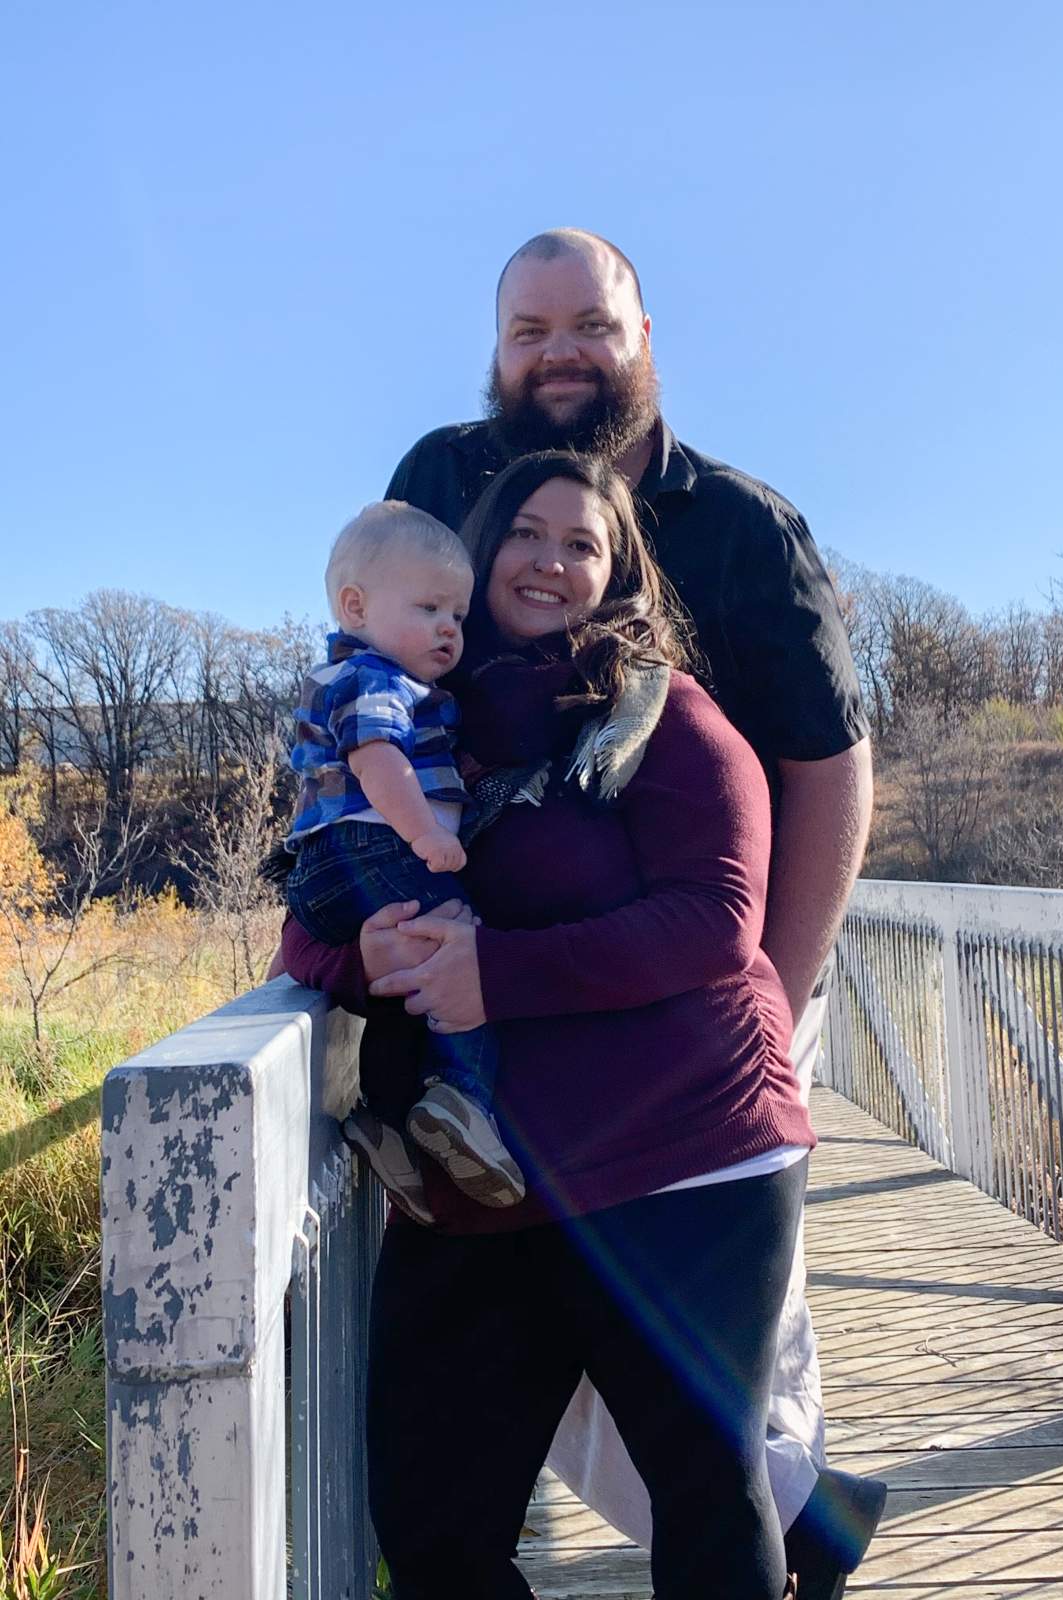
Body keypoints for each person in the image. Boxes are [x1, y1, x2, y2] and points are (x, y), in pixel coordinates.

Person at [374, 227, 884, 1594]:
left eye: (589, 325)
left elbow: (827, 769)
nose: (560, 355)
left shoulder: (740, 528)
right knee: (558, 1319)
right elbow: (377, 693)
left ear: (643, 339)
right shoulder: (440, 481)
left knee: (727, 1343)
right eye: (530, 330)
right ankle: (800, 1528)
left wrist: (769, 992)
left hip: (717, 974)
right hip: (504, 996)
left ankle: (782, 1543)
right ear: (497, 350)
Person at [283, 452, 817, 1599]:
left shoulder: (666, 709)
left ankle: (813, 1541)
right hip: (487, 1172)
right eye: (526, 531)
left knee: (708, 1494)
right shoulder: (402, 705)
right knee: (433, 1518)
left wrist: (499, 975)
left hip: (686, 1151)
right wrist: (352, 957)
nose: (551, 559)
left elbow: (721, 920)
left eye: (584, 542)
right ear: (478, 553)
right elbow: (312, 901)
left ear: (618, 572)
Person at [285, 500, 524, 1213]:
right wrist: (425, 835)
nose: (449, 629)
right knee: (463, 945)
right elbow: (376, 757)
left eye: (457, 614)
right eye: (429, 608)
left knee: (409, 977)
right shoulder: (374, 677)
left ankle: (385, 1119)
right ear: (355, 606)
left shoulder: (380, 678)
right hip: (373, 844)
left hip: (332, 867)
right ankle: (464, 1101)